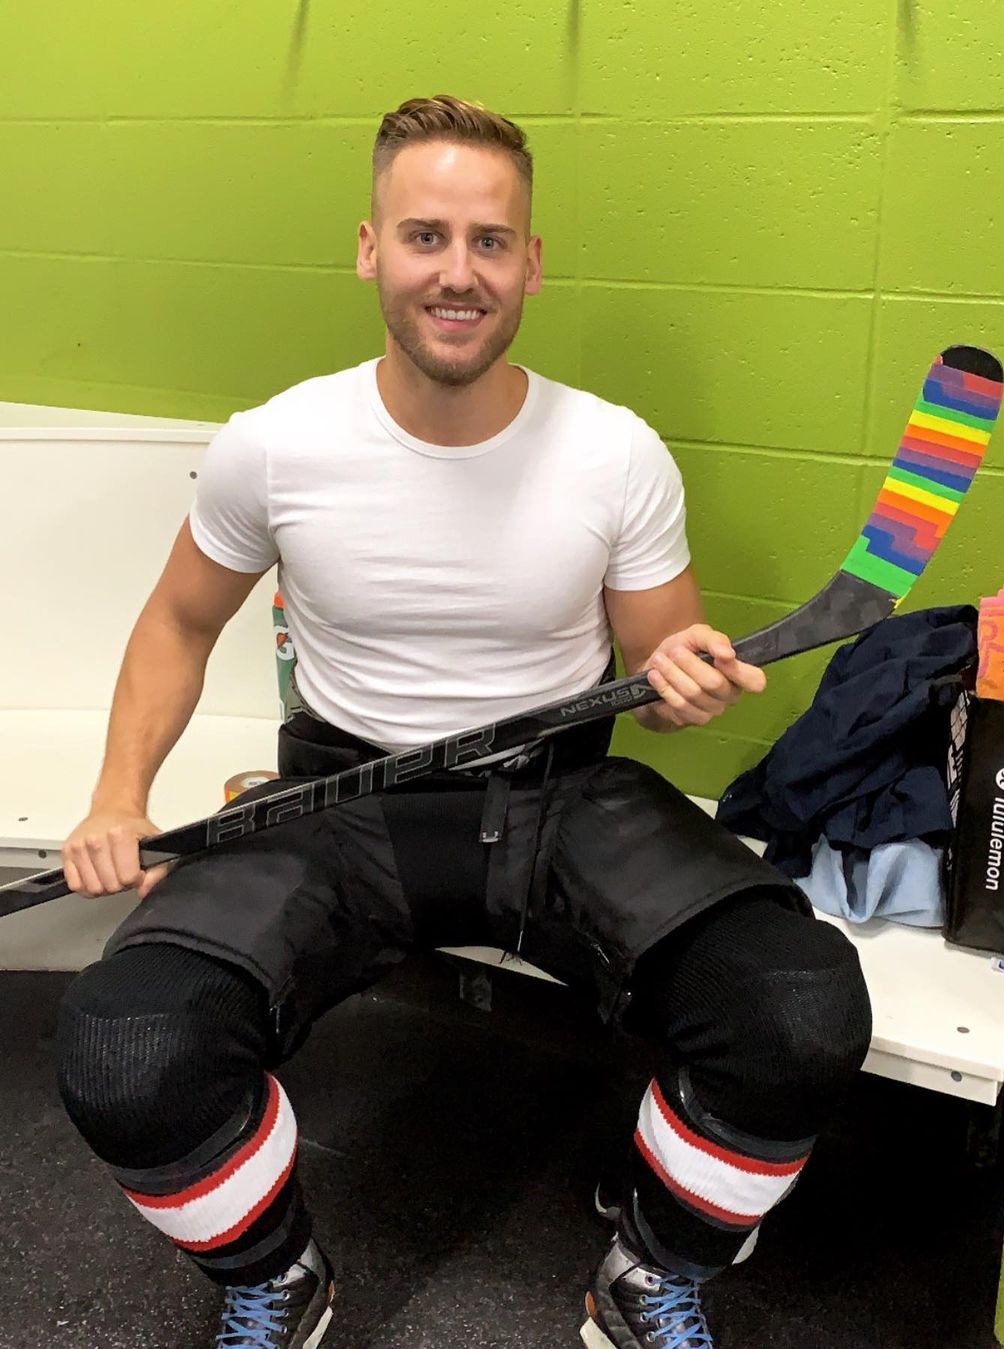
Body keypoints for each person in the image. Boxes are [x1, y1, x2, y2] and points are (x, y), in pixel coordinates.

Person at [54, 95, 873, 1349]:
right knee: (125, 1049)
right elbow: (175, 621)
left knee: (801, 1011)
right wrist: (120, 794)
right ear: (371, 247)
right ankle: (281, 1274)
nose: (459, 271)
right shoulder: (273, 446)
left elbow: (660, 662)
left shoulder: (615, 453)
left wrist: (680, 675)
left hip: (557, 803)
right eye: (426, 235)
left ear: (531, 263)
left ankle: (651, 1269)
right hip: (336, 808)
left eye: (491, 241)